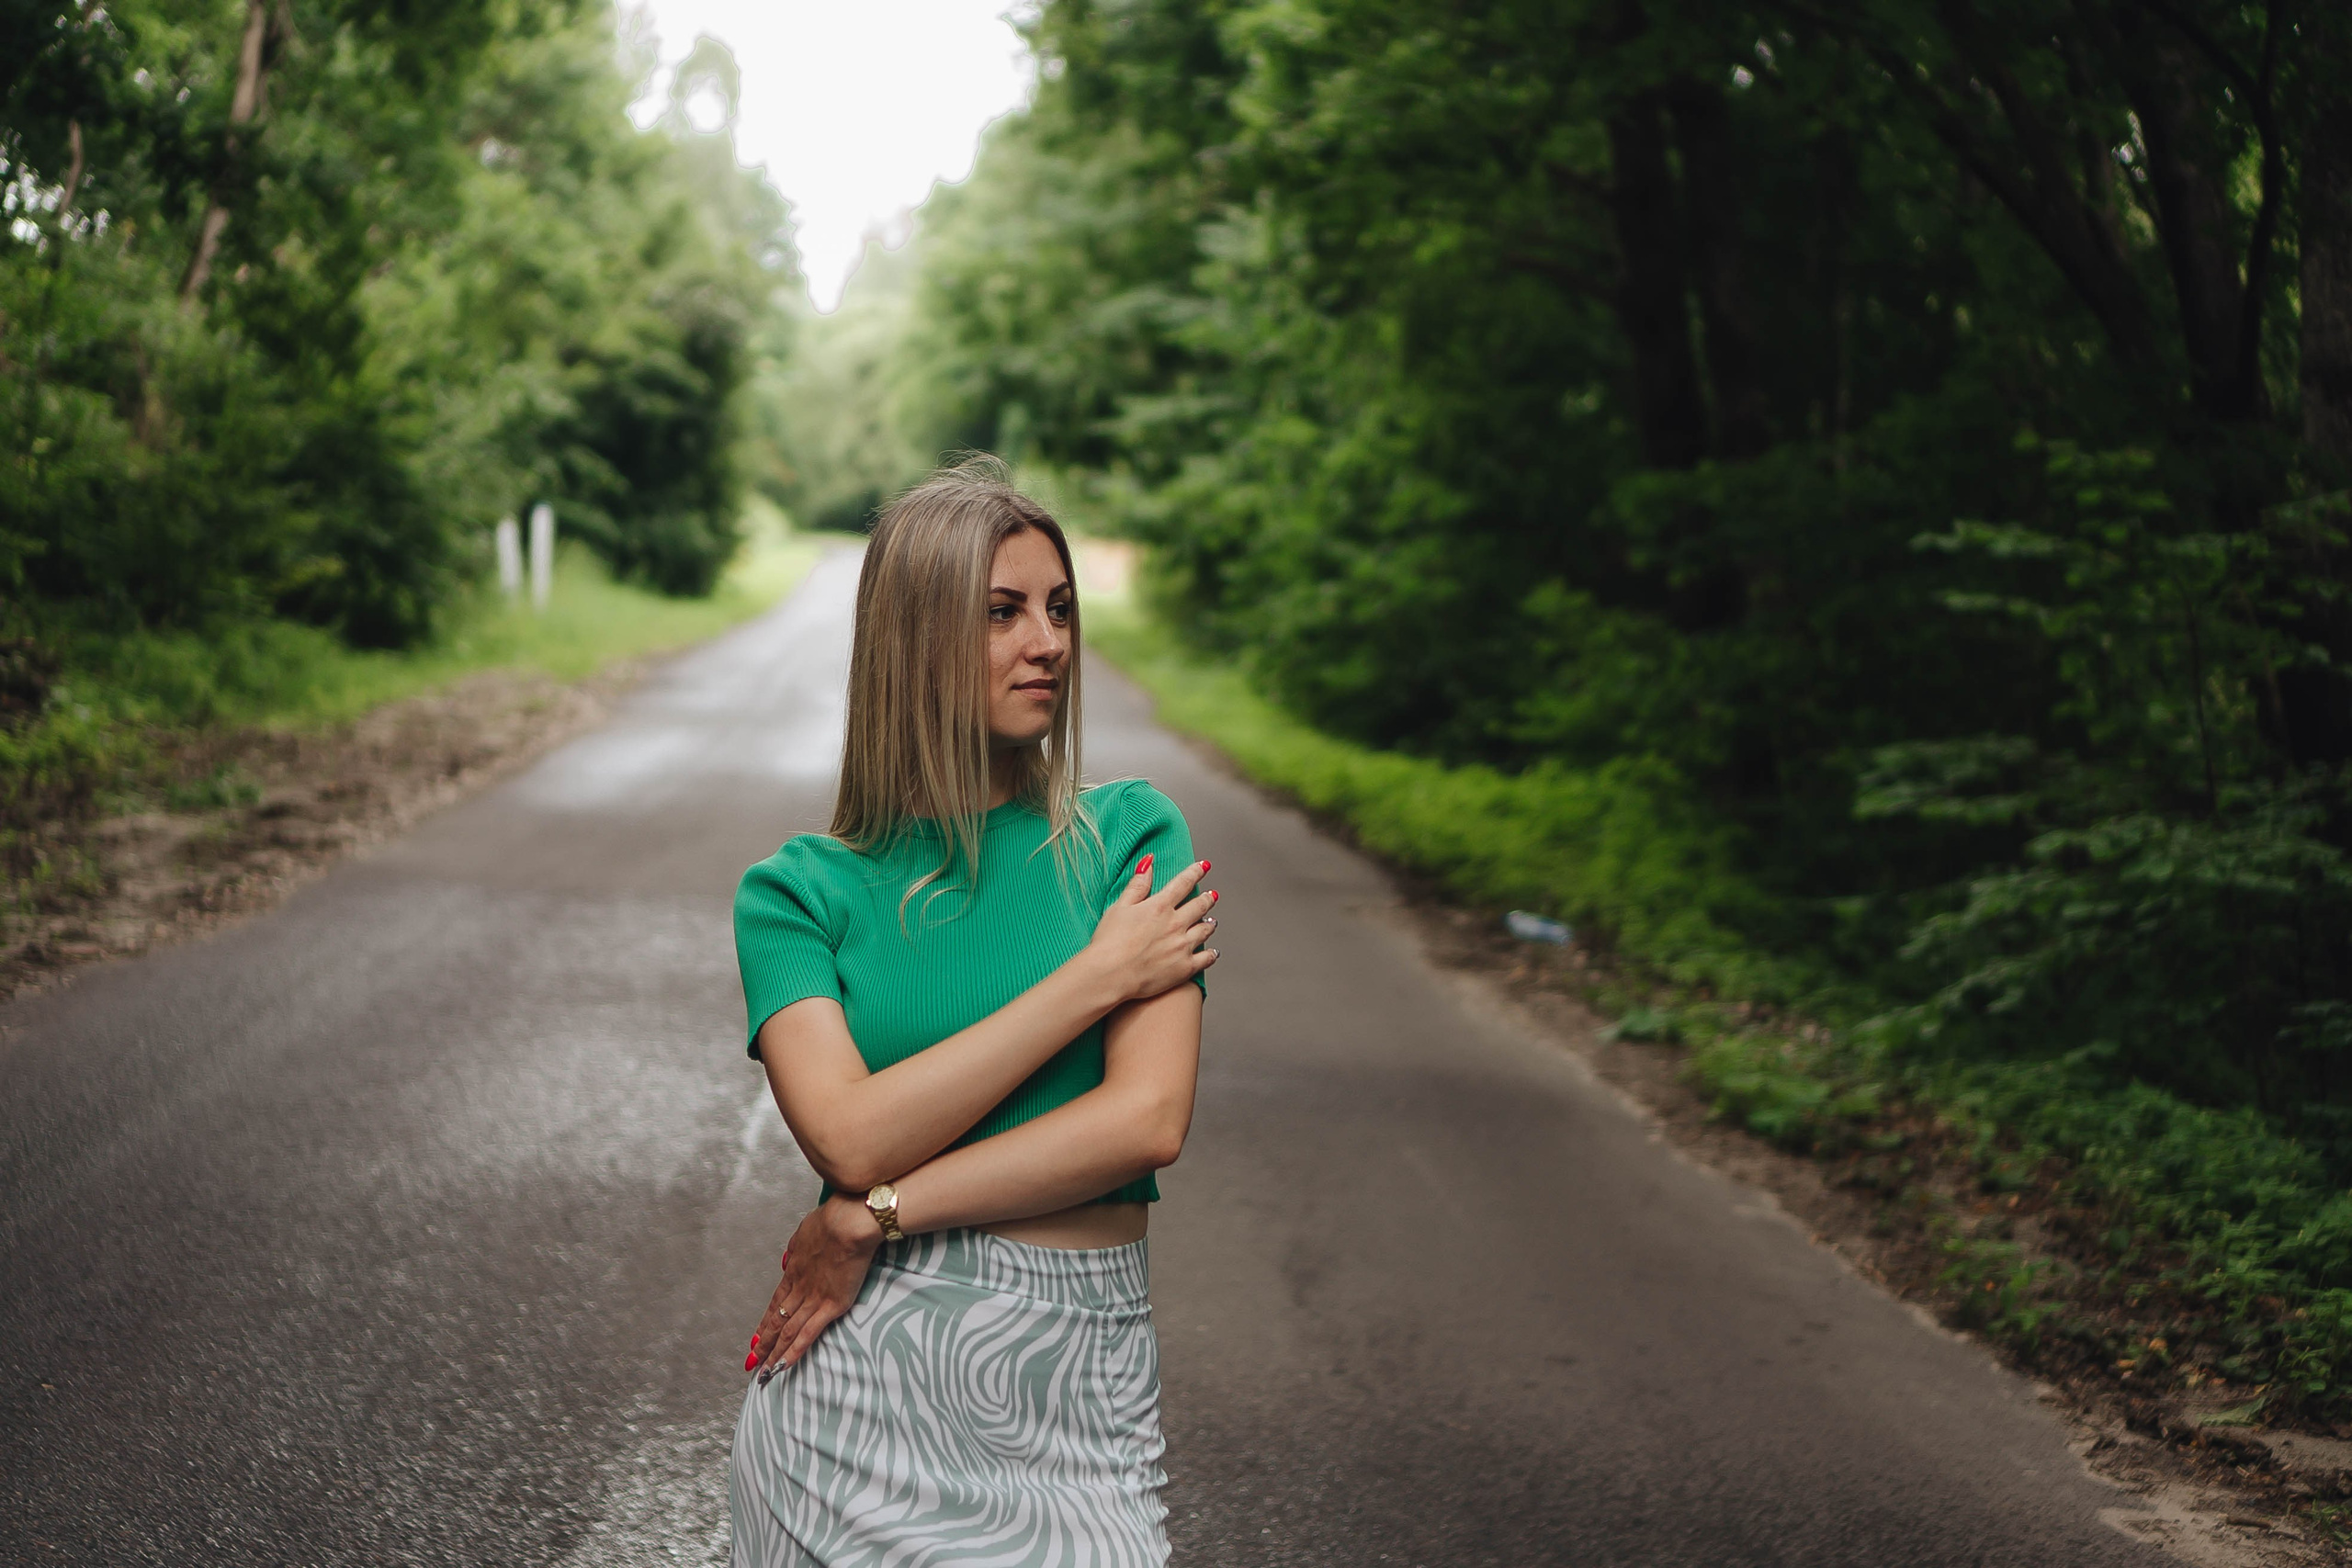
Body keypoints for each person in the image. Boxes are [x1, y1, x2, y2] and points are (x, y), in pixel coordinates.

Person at [727, 461, 1217, 1567]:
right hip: (851, 1412)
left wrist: (874, 1214)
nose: (1047, 641)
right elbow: (847, 1137)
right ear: (914, 637)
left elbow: (1145, 1124)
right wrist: (1093, 981)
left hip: (1080, 1395)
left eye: (1058, 608)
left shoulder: (1131, 839)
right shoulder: (799, 892)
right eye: (1001, 613)